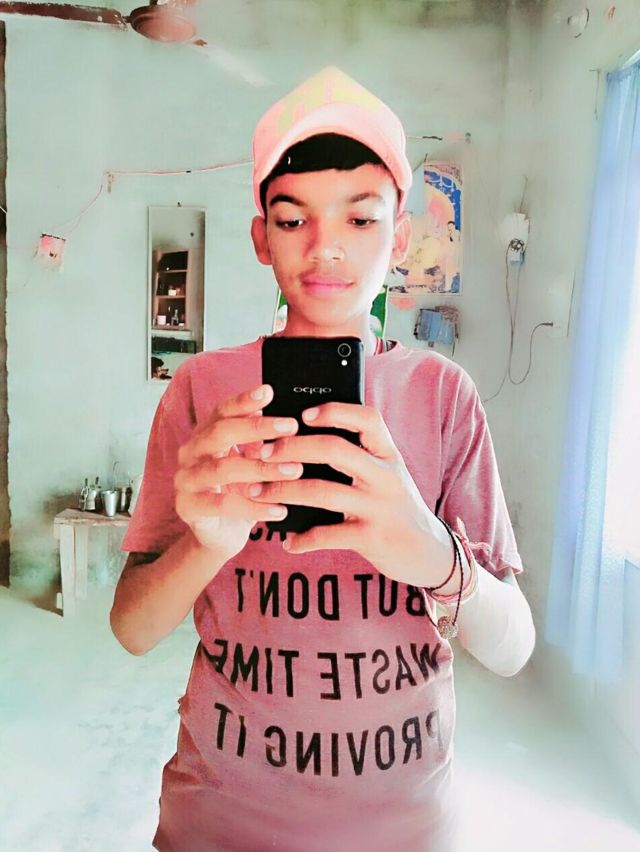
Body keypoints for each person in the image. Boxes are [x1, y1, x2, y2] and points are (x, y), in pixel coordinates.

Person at [111, 66, 535, 852]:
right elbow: (134, 629)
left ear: (398, 238)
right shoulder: (203, 390)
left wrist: (433, 554)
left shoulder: (444, 395)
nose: (325, 247)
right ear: (260, 238)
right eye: (292, 218)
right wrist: (207, 545)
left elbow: (513, 648)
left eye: (360, 217)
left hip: (403, 830)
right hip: (218, 824)